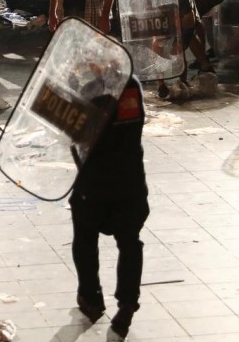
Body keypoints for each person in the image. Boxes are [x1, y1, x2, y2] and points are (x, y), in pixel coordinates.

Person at [71, 73, 149, 342]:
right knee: (129, 242)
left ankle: (91, 297)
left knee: (85, 237)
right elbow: (135, 127)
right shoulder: (132, 85)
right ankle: (127, 305)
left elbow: (75, 134)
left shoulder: (89, 88)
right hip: (129, 179)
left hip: (94, 181)